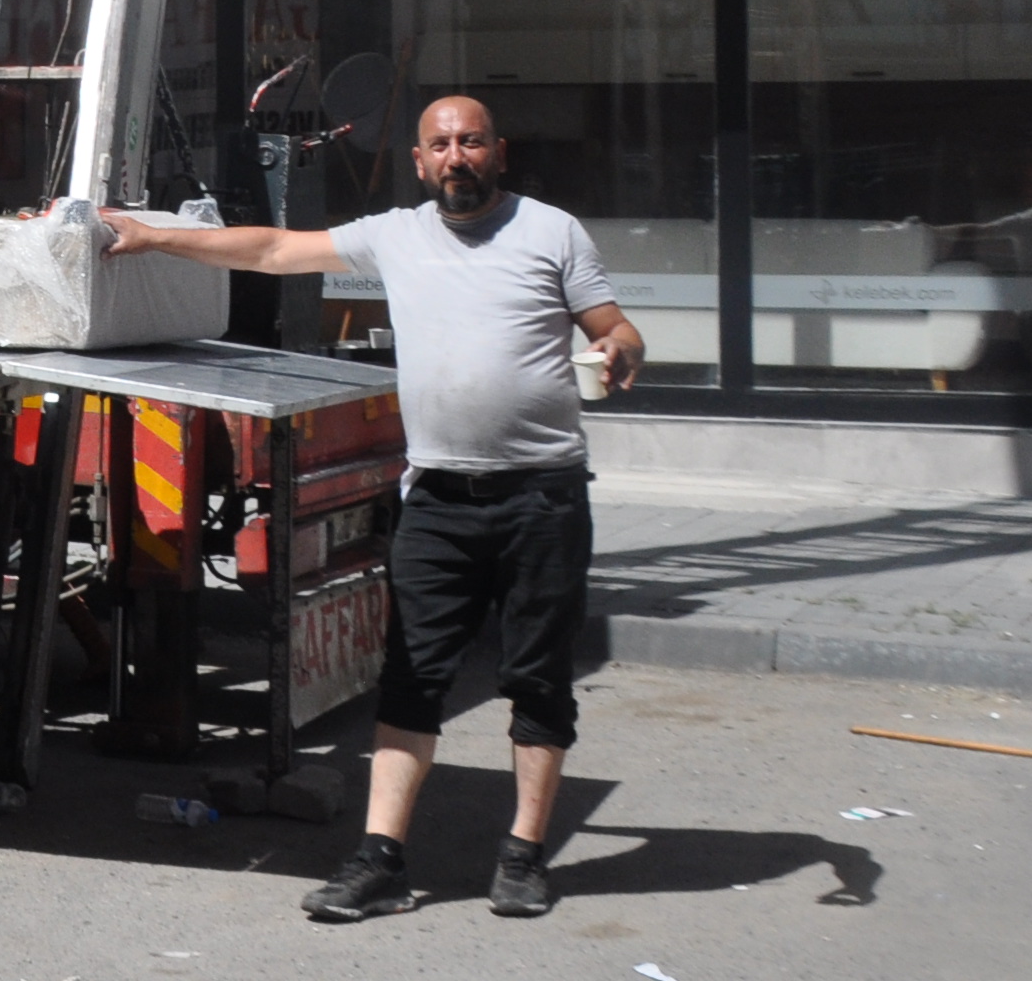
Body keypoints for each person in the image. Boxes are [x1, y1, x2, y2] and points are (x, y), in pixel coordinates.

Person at [108, 94, 644, 921]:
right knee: (411, 679)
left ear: (497, 150)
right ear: (421, 160)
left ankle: (524, 855)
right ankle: (380, 859)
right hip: (435, 497)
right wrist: (152, 237)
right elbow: (274, 247)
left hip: (542, 496)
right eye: (441, 144)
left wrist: (619, 346)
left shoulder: (552, 231)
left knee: (537, 681)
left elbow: (613, 325)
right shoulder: (394, 235)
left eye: (471, 141)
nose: (456, 155)